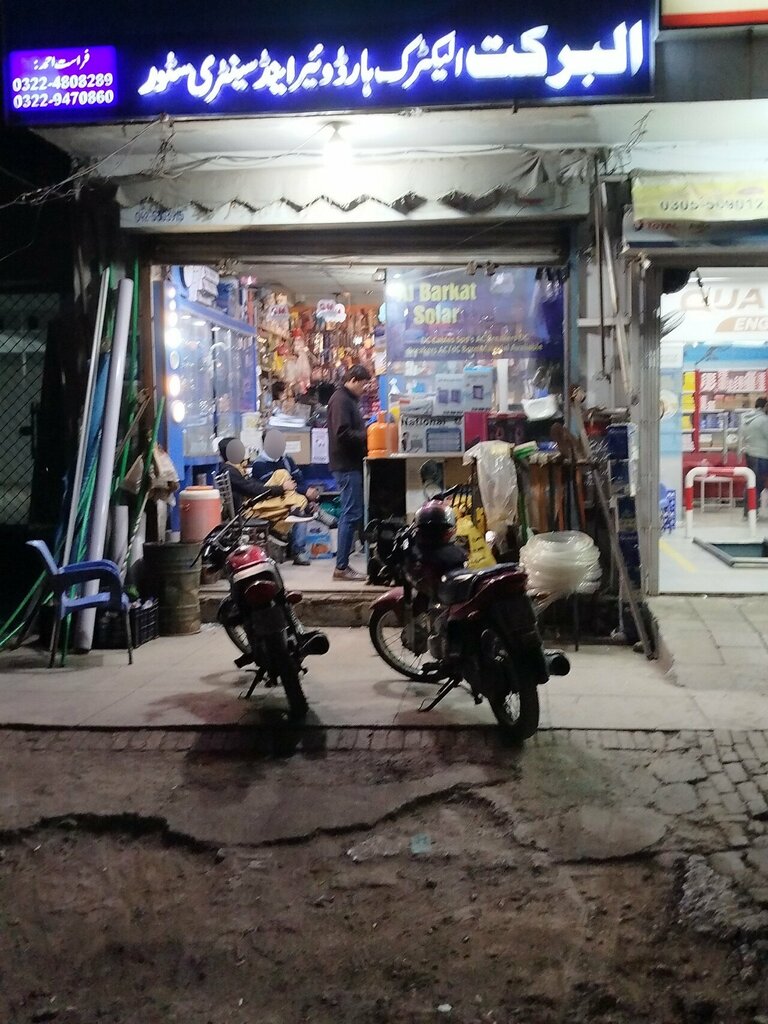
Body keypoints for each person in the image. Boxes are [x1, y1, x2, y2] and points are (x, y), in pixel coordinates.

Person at [327, 364, 371, 582]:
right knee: (350, 513)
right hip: (346, 465)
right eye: (363, 384)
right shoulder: (340, 400)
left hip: (350, 464)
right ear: (353, 379)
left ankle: (344, 564)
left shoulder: (348, 400)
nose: (364, 389)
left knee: (352, 512)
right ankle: (341, 567)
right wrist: (367, 435)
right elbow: (342, 433)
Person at [247, 429, 317, 565]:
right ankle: (299, 549)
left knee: (299, 507)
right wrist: (289, 487)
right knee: (283, 477)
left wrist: (307, 491)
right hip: (270, 503)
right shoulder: (259, 464)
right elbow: (267, 489)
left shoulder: (287, 459)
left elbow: (298, 482)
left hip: (290, 498)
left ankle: (299, 551)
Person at [741, 397, 768, 518]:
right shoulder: (763, 420)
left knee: (751, 483)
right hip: (761, 456)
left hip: (750, 454)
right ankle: (752, 510)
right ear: (764, 407)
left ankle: (749, 510)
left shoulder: (747, 419)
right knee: (758, 484)